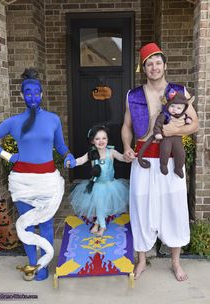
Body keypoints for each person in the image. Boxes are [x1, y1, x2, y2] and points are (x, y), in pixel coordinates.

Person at [0, 67, 76, 281]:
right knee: (26, 223)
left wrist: (69, 155)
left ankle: (43, 265)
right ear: (22, 95)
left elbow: (61, 147)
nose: (33, 96)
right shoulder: (14, 122)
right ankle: (32, 264)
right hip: (22, 182)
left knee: (45, 224)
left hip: (47, 182)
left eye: (36, 92)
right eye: (28, 92)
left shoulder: (53, 120)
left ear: (41, 94)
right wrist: (8, 156)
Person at [121, 42, 198, 281]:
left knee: (174, 208)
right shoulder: (133, 95)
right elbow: (127, 126)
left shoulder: (180, 91)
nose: (154, 67)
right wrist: (125, 147)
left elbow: (194, 124)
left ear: (165, 65)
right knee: (141, 209)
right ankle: (142, 260)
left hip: (170, 159)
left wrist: (175, 131)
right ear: (144, 68)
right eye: (149, 64)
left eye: (157, 63)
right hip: (143, 160)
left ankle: (176, 262)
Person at [67, 125, 129, 237]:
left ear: (108, 139)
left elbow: (122, 158)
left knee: (102, 206)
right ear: (92, 141)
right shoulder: (91, 153)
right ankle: (101, 224)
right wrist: (72, 162)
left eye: (104, 138)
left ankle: (99, 225)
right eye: (97, 139)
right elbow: (81, 160)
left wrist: (129, 155)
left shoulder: (112, 152)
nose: (101, 141)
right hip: (97, 186)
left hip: (110, 185)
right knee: (100, 206)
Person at [138, 89, 193, 178]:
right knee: (165, 150)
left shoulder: (183, 116)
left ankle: (178, 168)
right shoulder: (165, 115)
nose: (175, 109)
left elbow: (187, 121)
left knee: (181, 153)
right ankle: (163, 165)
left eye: (179, 108)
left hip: (178, 139)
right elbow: (158, 124)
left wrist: (188, 120)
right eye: (172, 106)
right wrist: (157, 133)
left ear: (183, 109)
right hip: (166, 138)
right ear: (168, 105)